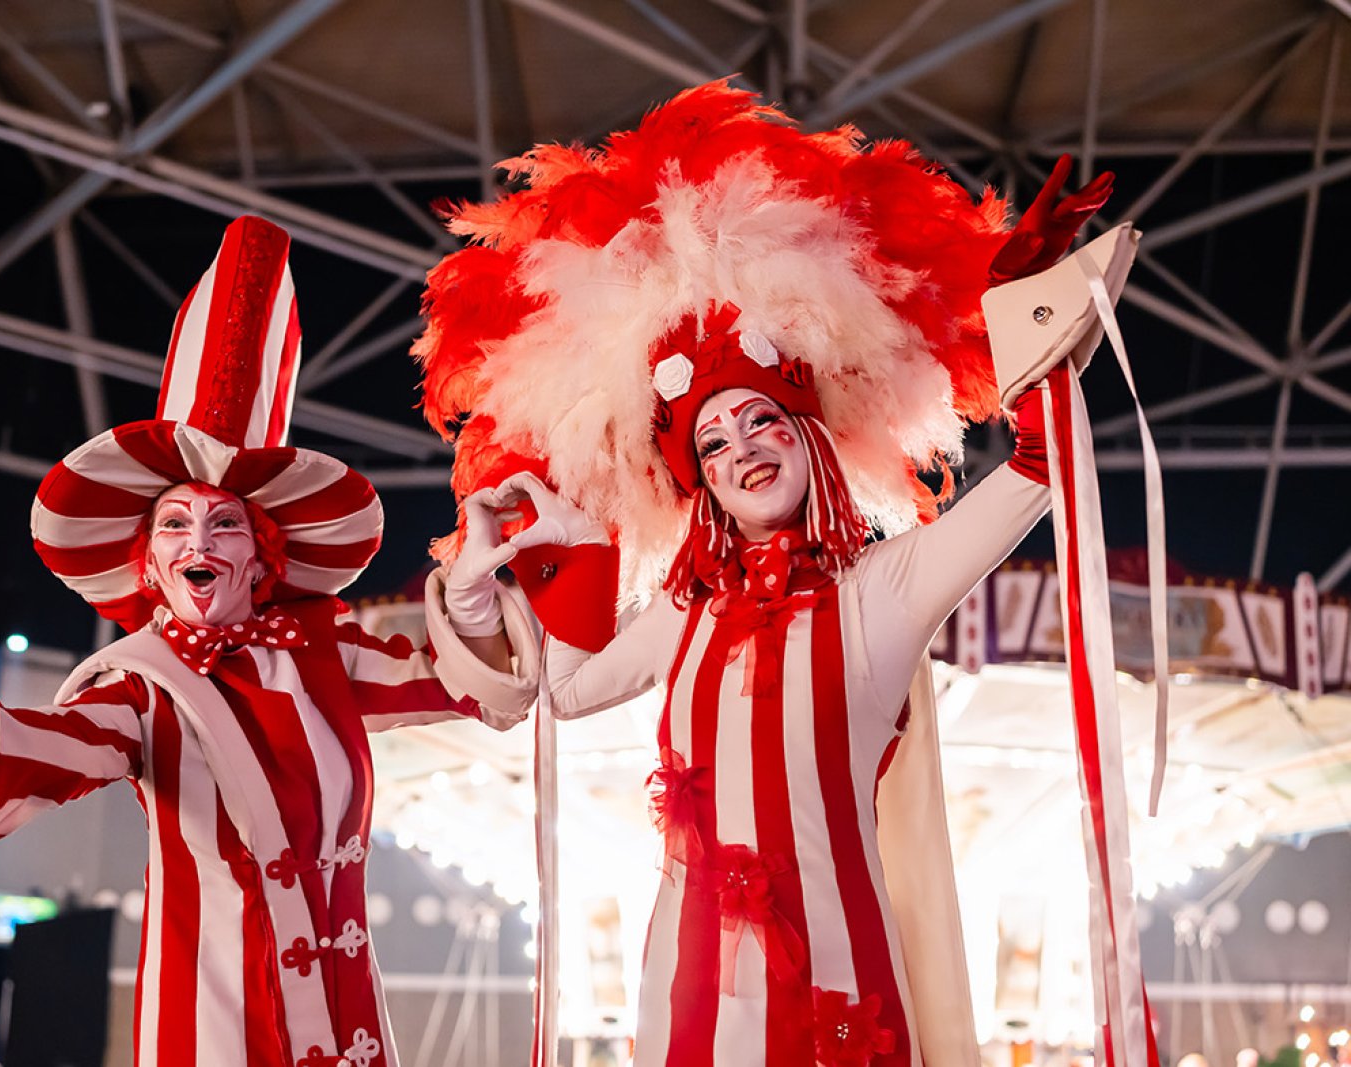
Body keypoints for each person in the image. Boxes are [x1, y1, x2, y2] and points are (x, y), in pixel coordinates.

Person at [414, 82, 1149, 1066]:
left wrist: (1028, 322)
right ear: (701, 482)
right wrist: (499, 581)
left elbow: (1033, 468)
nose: (742, 446)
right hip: (689, 997)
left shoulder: (880, 592)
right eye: (712, 441)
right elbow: (551, 687)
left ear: (808, 434)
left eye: (761, 417)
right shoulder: (687, 616)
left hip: (833, 997)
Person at [0, 216, 538, 1067]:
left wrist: (471, 588)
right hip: (214, 1036)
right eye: (174, 523)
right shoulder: (138, 687)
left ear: (262, 553)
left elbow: (470, 681)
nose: (198, 542)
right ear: (150, 561)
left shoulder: (325, 654)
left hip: (352, 1035)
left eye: (225, 522)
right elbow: (30, 752)